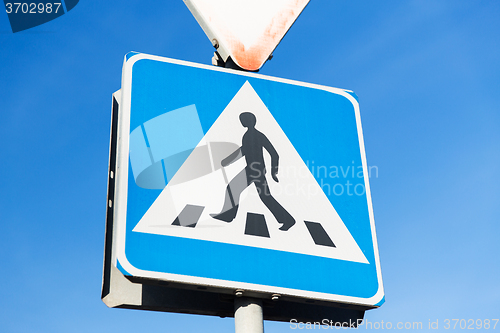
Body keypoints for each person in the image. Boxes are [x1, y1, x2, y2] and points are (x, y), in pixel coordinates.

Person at [210, 112, 295, 231]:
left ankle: (288, 220)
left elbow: (274, 154)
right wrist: (228, 161)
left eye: (243, 120)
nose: (242, 122)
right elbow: (243, 150)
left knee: (238, 189)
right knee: (258, 195)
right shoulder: (247, 135)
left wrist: (274, 172)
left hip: (255, 170)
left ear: (249, 121)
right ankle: (228, 215)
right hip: (253, 168)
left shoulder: (258, 135)